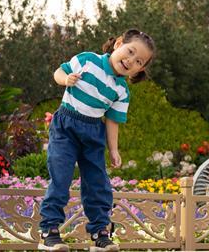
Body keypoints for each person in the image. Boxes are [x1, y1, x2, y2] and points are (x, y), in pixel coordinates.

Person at [39, 29, 155, 252]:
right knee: (61, 178)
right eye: (129, 51)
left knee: (98, 183)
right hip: (66, 127)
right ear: (118, 44)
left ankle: (100, 232)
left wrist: (114, 150)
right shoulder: (87, 60)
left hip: (93, 134)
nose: (130, 60)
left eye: (138, 61)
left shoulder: (121, 90)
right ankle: (50, 230)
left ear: (139, 69)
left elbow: (112, 121)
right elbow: (58, 72)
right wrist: (66, 80)